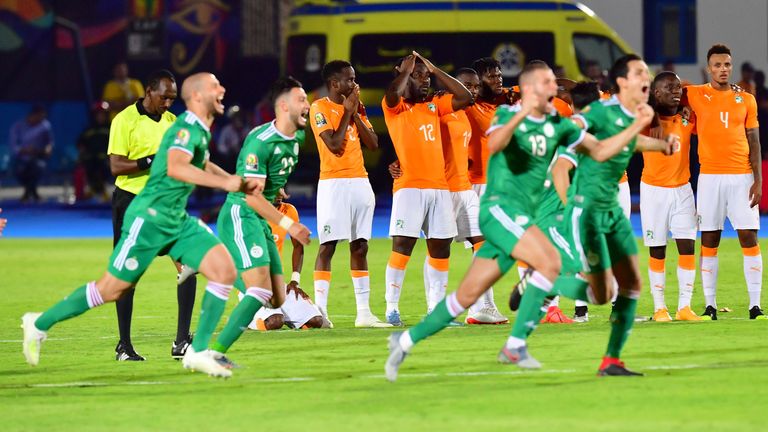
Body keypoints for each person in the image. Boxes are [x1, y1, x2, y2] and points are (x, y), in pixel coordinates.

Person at [383, 61, 660, 382]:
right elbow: (497, 143)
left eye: (553, 84)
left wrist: (650, 138)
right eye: (545, 83)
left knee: (467, 296)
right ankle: (524, 319)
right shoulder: (505, 115)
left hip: (525, 214)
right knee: (551, 262)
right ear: (529, 90)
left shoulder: (561, 125)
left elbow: (598, 150)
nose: (553, 89)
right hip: (500, 210)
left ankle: (404, 341)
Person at [22, 72, 253, 378]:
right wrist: (228, 184)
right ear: (197, 96)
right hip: (148, 217)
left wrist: (231, 181)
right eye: (215, 87)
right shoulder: (183, 129)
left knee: (222, 269)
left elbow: (200, 163)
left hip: (176, 218)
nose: (222, 89)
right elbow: (176, 167)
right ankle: (38, 323)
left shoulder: (194, 127)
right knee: (112, 288)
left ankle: (195, 351)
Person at [560, 54, 679, 375]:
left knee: (630, 285)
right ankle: (544, 284)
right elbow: (584, 136)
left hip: (612, 209)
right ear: (622, 82)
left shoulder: (632, 115)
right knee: (601, 295)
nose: (647, 76)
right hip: (587, 211)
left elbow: (629, 143)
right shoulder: (599, 111)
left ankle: (611, 360)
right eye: (640, 71)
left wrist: (660, 145)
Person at [388, 67, 508, 325]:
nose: (473, 91)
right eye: (469, 85)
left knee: (483, 245)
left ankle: (482, 306)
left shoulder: (465, 114)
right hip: (443, 189)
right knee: (437, 248)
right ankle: (432, 307)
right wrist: (397, 161)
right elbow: (415, 138)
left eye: (477, 86)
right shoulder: (439, 108)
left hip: (465, 189)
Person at [207, 76, 312, 367]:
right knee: (258, 289)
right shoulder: (259, 143)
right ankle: (212, 352)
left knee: (276, 299)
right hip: (243, 213)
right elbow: (252, 197)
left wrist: (274, 186)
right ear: (283, 105)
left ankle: (216, 269)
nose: (307, 105)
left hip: (261, 217)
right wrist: (291, 226)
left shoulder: (298, 137)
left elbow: (268, 181)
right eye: (301, 100)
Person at [107, 69, 196, 361]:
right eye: (163, 97)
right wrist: (150, 160)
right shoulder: (124, 120)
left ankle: (182, 341)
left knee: (188, 265)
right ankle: (124, 346)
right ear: (148, 91)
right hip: (131, 203)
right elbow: (117, 167)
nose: (168, 103)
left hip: (165, 204)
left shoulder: (172, 123)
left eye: (172, 98)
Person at [381, 52, 473, 326]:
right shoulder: (395, 107)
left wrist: (436, 69)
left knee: (441, 249)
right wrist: (406, 73)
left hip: (439, 188)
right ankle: (392, 307)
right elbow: (393, 95)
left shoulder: (435, 105)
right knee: (402, 247)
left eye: (426, 77)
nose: (425, 81)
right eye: (418, 76)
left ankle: (436, 310)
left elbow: (465, 97)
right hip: (410, 187)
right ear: (404, 75)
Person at [683, 44, 765, 320]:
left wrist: (758, 179)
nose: (723, 69)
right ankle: (710, 306)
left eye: (727, 64)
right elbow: (667, 88)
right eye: (717, 65)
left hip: (742, 176)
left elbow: (754, 140)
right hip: (709, 177)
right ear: (709, 68)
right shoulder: (695, 94)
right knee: (709, 239)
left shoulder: (747, 100)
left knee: (748, 237)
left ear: (732, 66)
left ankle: (755, 305)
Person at [309, 60, 388, 328]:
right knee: (328, 245)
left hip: (360, 181)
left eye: (354, 78)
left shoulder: (357, 107)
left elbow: (374, 143)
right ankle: (320, 312)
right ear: (334, 84)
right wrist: (346, 113)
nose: (354, 83)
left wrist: (354, 114)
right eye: (349, 79)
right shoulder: (319, 107)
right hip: (334, 184)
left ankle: (364, 313)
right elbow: (332, 144)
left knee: (361, 245)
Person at [640, 72, 701, 321]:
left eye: (677, 87)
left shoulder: (687, 117)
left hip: (683, 190)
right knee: (658, 249)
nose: (676, 91)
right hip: (654, 191)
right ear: (656, 93)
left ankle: (684, 307)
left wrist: (685, 101)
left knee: (687, 246)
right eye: (669, 87)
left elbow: (693, 92)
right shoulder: (645, 120)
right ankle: (659, 308)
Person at [462, 57, 517, 321]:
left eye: (499, 75)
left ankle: (482, 306)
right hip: (476, 184)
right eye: (491, 76)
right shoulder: (469, 107)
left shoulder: (502, 104)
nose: (498, 79)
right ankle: (479, 307)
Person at [251, 190, 328, 331]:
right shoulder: (251, 213)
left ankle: (284, 313)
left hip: (276, 283)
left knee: (316, 321)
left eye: (282, 187)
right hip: (251, 283)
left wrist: (294, 281)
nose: (280, 192)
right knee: (274, 322)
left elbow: (298, 246)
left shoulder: (288, 211)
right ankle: (246, 318)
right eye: (275, 188)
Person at [9, 104, 53, 203]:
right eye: (40, 117)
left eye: (43, 117)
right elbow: (13, 146)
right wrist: (25, 150)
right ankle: (32, 192)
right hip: (21, 158)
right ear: (33, 115)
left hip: (38, 157)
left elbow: (49, 142)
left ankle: (27, 193)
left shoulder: (45, 125)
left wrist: (47, 149)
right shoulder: (18, 126)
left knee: (39, 166)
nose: (41, 119)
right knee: (19, 169)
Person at [76, 101, 111, 201]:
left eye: (102, 115)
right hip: (90, 158)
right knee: (88, 167)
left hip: (106, 159)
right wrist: (82, 151)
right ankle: (92, 190)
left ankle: (102, 190)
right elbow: (80, 143)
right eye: (98, 115)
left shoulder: (111, 128)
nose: (100, 117)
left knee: (104, 168)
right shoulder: (89, 129)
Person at [216, 106, 250, 173]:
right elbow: (220, 146)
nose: (238, 120)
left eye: (240, 118)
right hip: (229, 159)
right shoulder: (226, 130)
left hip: (244, 158)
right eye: (236, 118)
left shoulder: (247, 130)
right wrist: (229, 150)